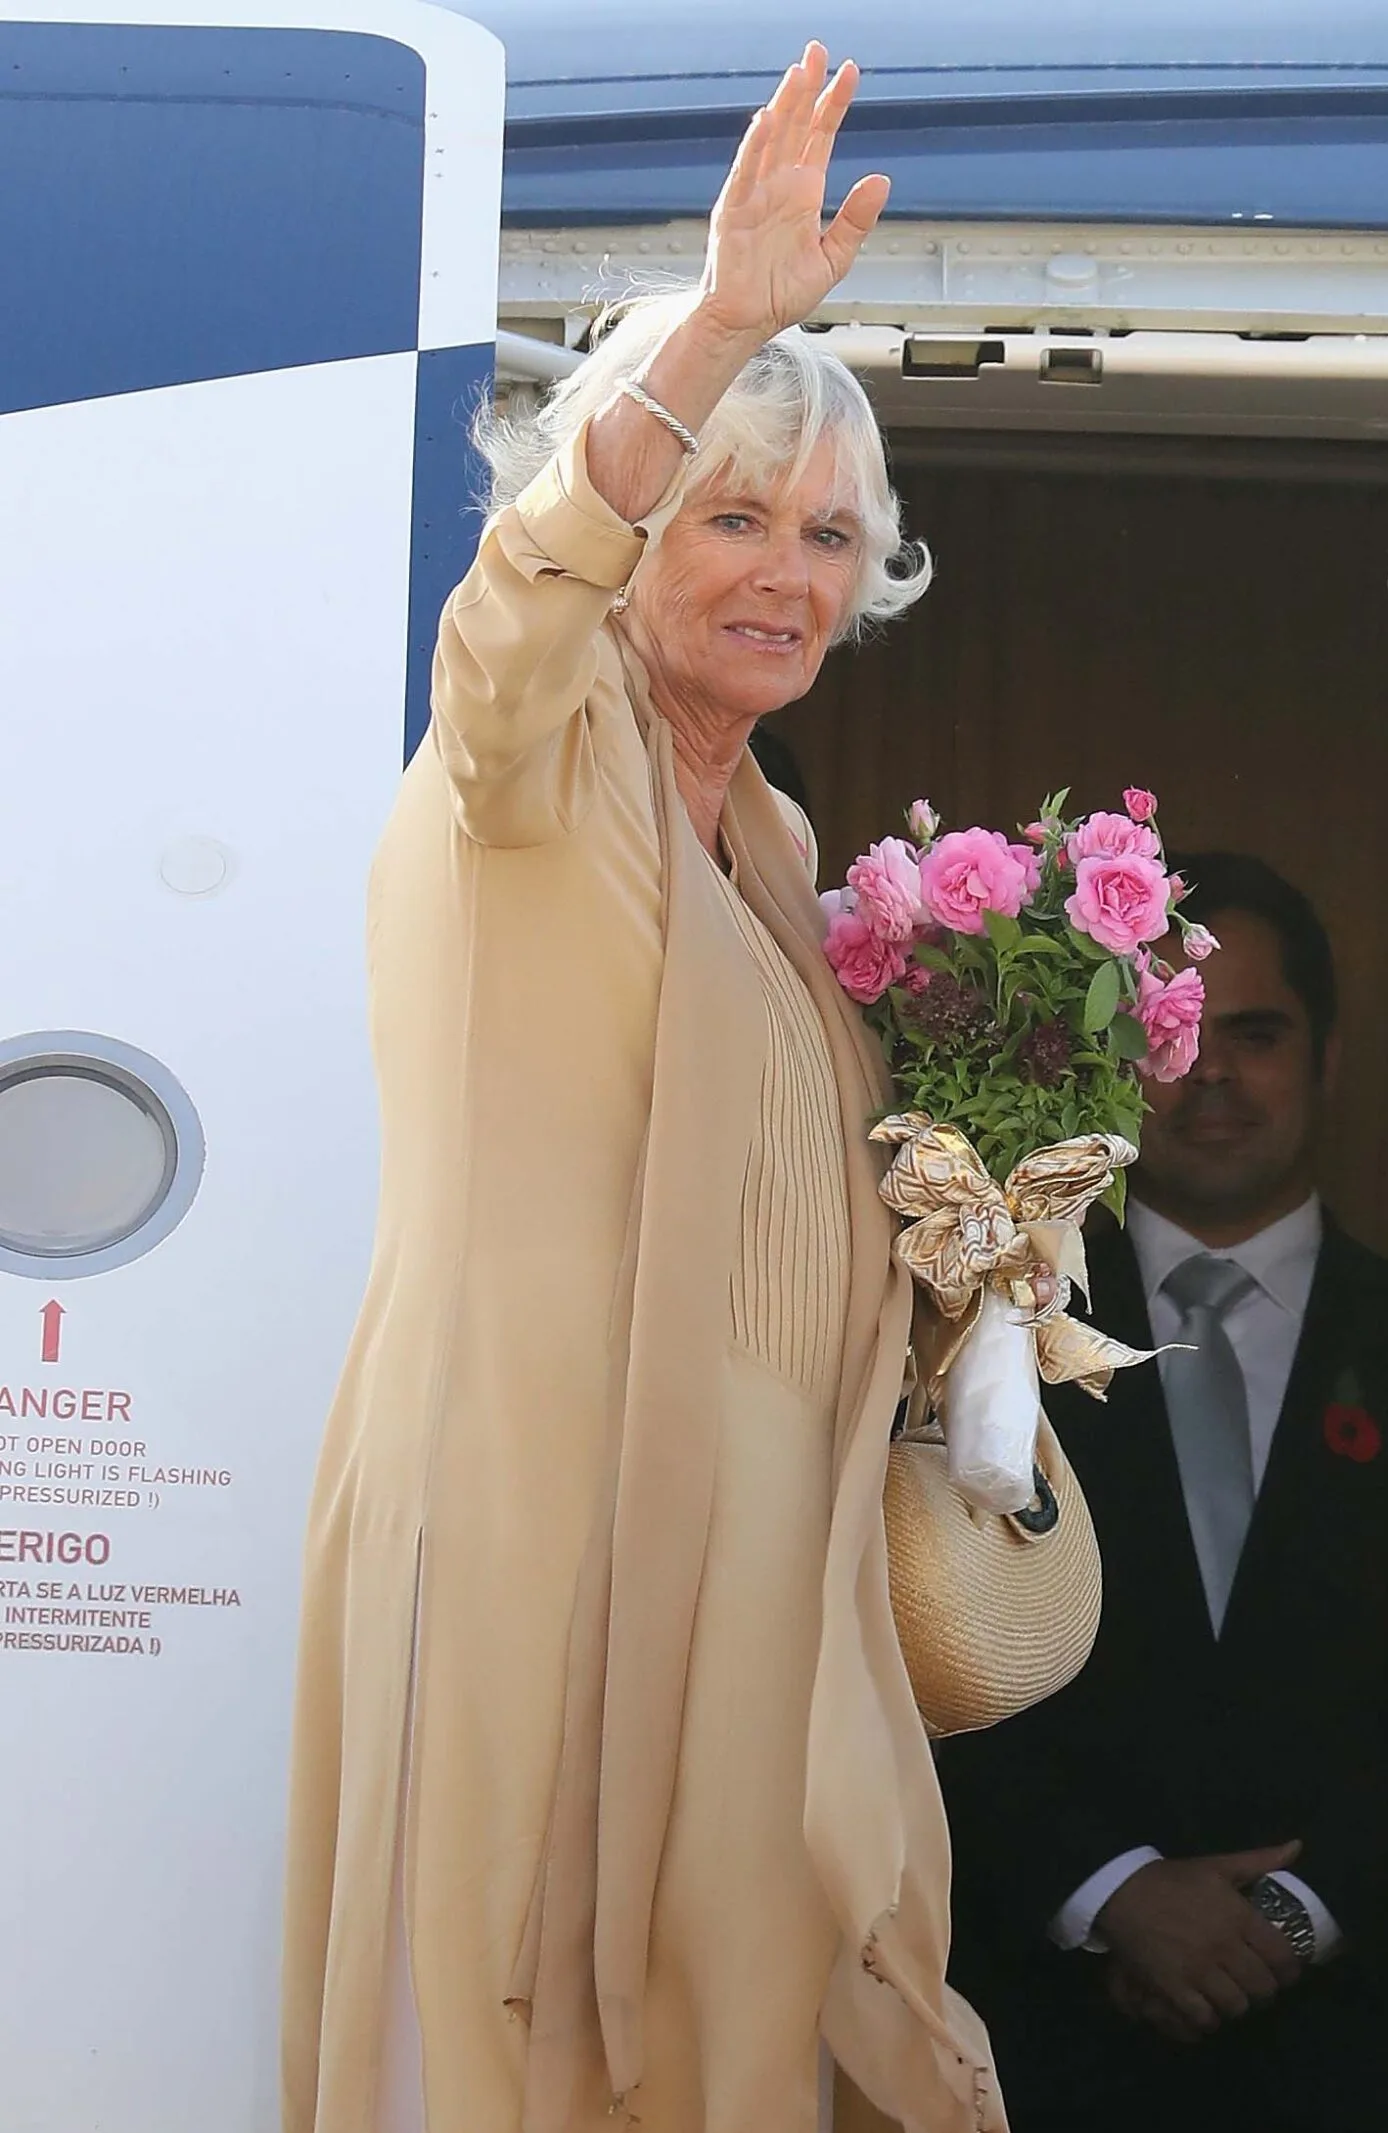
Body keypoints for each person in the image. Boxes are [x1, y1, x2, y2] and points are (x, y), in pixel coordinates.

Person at [281, 48, 1003, 2133]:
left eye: (832, 535)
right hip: (533, 1536)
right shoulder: (531, 759)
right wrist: (717, 329)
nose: (783, 571)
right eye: (731, 517)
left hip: (761, 1600)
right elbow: (516, 613)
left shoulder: (777, 856)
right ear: (639, 529)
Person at [934, 852, 1388, 2133]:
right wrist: (1110, 1892)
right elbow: (921, 1674)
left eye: (1257, 1033)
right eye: (1171, 1037)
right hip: (1060, 2056)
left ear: (1327, 1060)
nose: (1212, 1074)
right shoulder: (973, 1349)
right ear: (1113, 1068)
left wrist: (1296, 1913)